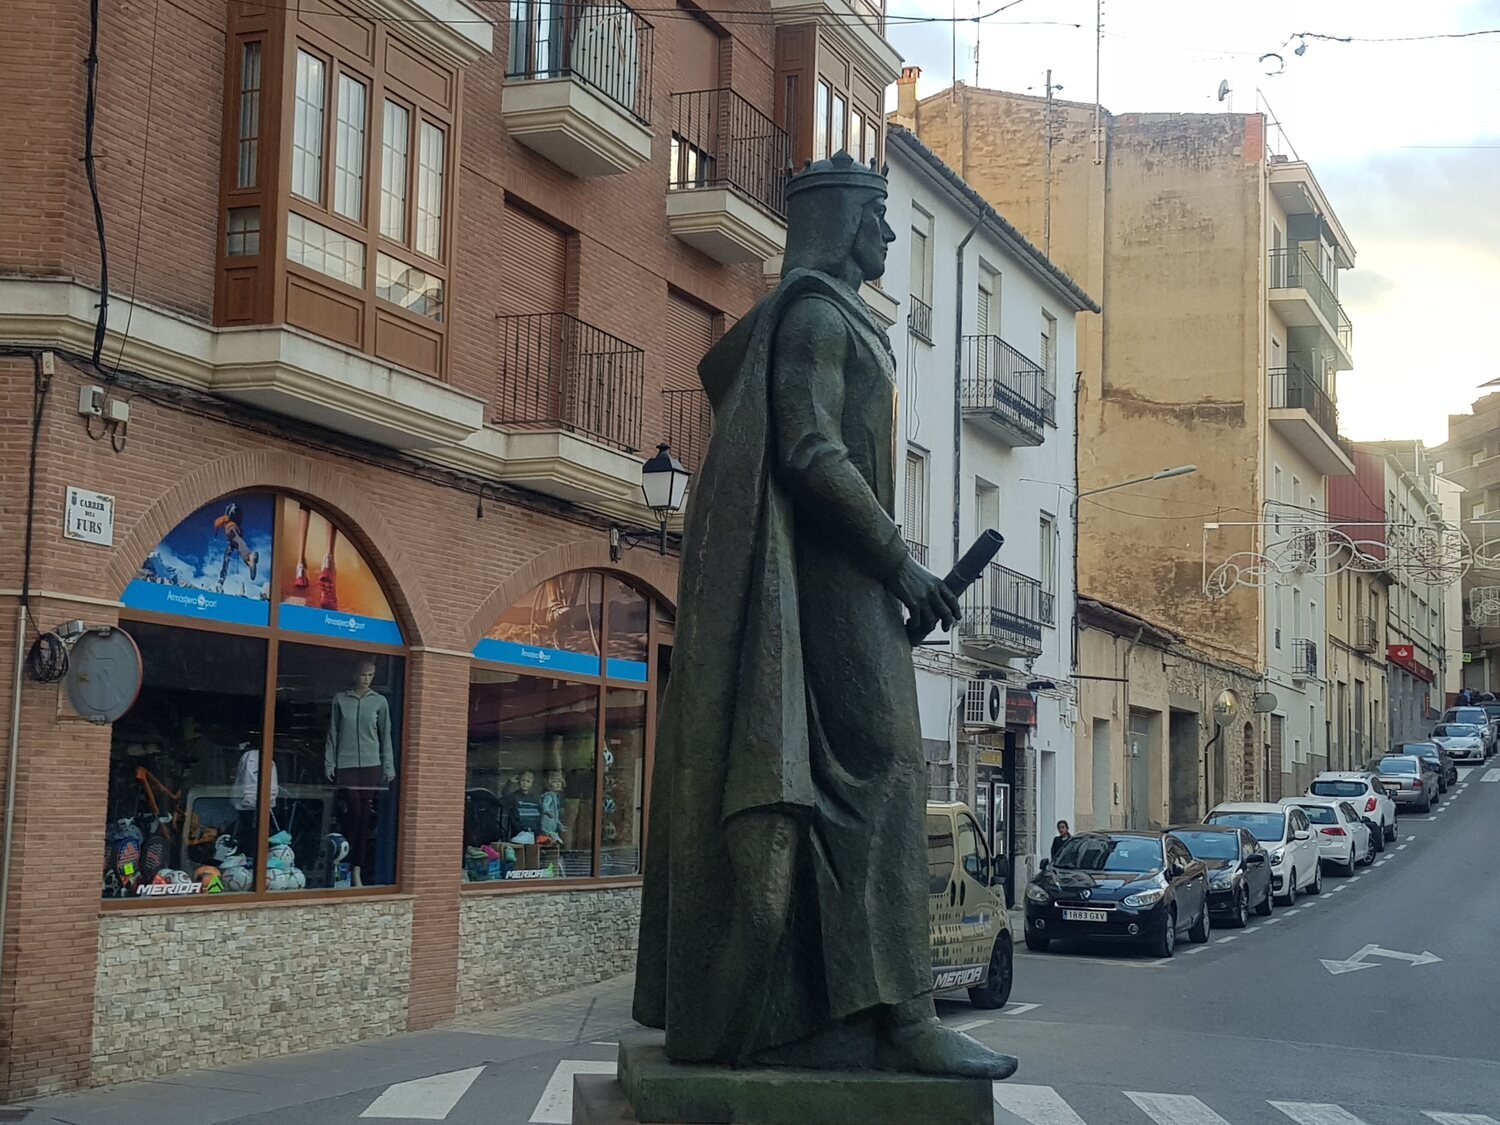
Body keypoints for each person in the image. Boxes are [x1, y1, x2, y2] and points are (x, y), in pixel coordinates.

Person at [633, 152, 1015, 1081]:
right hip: (827, 587)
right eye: (879, 218)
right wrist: (898, 561)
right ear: (843, 222)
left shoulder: (846, 322)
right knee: (884, 776)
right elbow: (807, 448)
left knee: (870, 784)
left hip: (851, 586)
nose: (889, 235)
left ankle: (840, 1007)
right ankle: (903, 1017)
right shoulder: (814, 316)